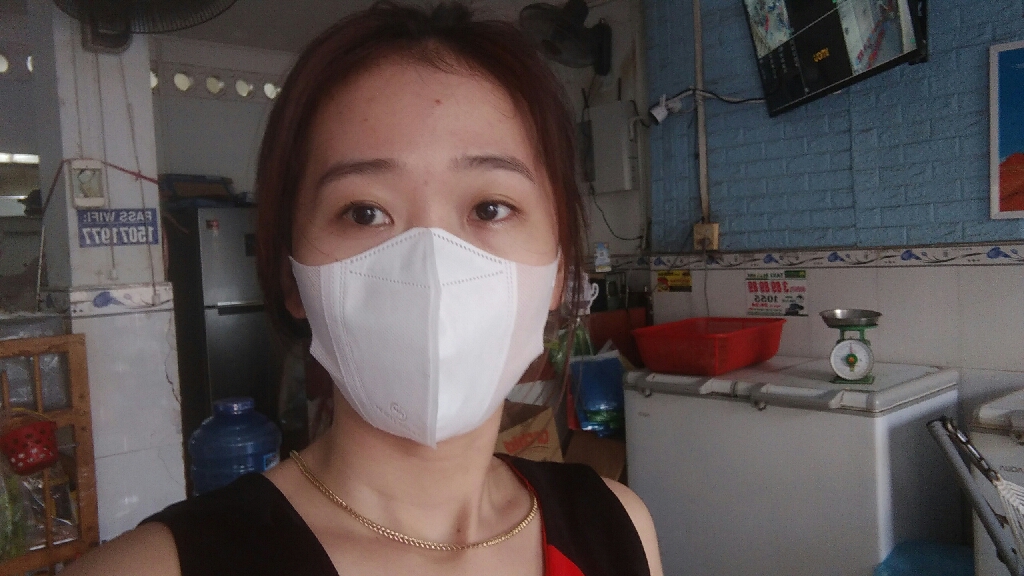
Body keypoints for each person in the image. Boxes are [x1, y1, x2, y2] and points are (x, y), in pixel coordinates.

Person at [65, 3, 663, 575]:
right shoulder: (154, 569)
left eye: (490, 207)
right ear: (291, 274)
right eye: (364, 213)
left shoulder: (619, 527)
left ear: (559, 270)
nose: (433, 268)